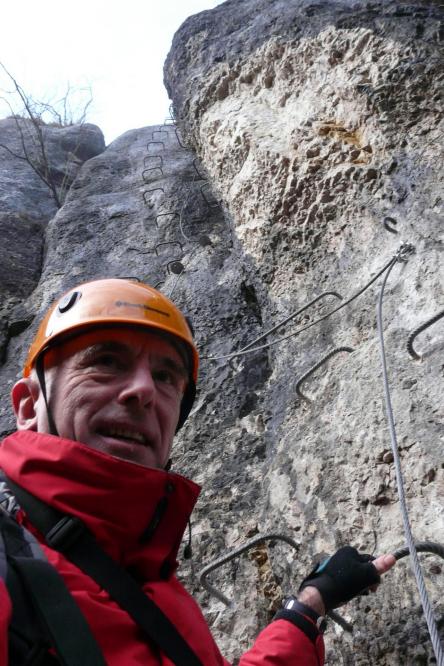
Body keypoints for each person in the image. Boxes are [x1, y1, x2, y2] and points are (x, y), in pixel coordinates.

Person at [0, 278, 396, 665]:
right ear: (27, 406)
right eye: (105, 361)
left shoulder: (153, 582)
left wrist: (309, 605)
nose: (144, 390)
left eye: (166, 376)